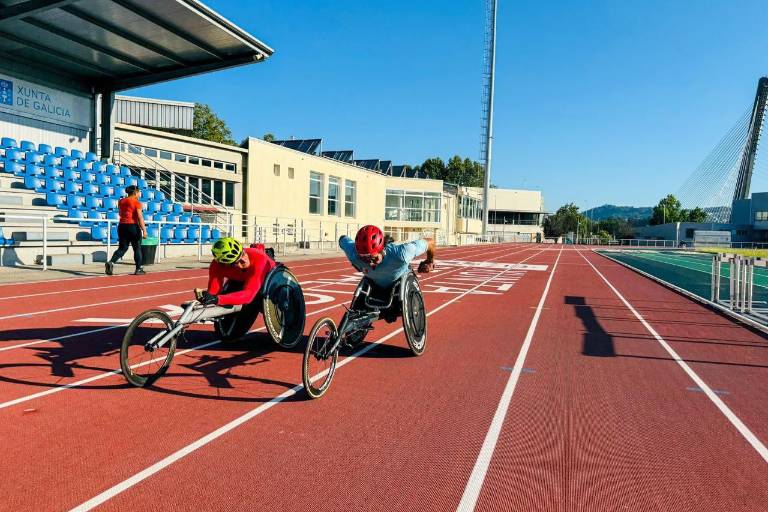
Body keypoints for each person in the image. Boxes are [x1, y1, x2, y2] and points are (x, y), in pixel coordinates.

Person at [339, 225, 436, 290]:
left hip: (400, 282)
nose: (370, 263)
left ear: (382, 249)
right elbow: (342, 239)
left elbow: (430, 243)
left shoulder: (402, 253)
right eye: (364, 258)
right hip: (374, 285)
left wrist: (429, 261)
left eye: (372, 258)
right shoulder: (353, 254)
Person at [197, 237, 276, 307]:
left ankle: (265, 252)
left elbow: (248, 295)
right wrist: (206, 297)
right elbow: (213, 292)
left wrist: (217, 299)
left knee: (255, 301)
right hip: (242, 277)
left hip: (266, 273)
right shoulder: (216, 266)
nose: (244, 260)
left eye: (243, 254)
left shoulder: (260, 259)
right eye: (237, 262)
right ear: (225, 265)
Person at [105, 185, 147, 276]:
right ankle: (138, 269)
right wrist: (144, 230)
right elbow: (140, 217)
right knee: (137, 247)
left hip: (122, 226)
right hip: (133, 226)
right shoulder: (136, 203)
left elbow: (121, 213)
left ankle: (111, 262)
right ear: (135, 192)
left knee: (123, 248)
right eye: (139, 192)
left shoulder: (121, 201)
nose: (140, 194)